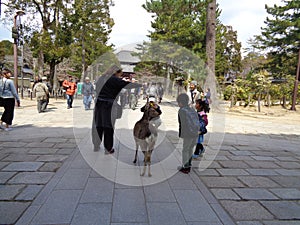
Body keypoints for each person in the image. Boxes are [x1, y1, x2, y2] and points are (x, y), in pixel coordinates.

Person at [92, 65, 142, 153]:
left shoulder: (101, 78)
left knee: (98, 125)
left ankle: (96, 145)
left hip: (99, 104)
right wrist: (139, 84)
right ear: (116, 72)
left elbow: (97, 90)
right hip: (110, 105)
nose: (120, 76)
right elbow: (127, 85)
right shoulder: (114, 79)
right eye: (120, 74)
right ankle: (108, 148)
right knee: (108, 126)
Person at [176, 93, 199, 174]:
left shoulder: (181, 110)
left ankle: (185, 167)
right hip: (195, 133)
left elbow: (182, 124)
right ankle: (189, 165)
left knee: (185, 150)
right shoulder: (192, 109)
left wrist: (181, 134)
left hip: (188, 133)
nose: (178, 104)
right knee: (190, 149)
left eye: (178, 102)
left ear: (181, 102)